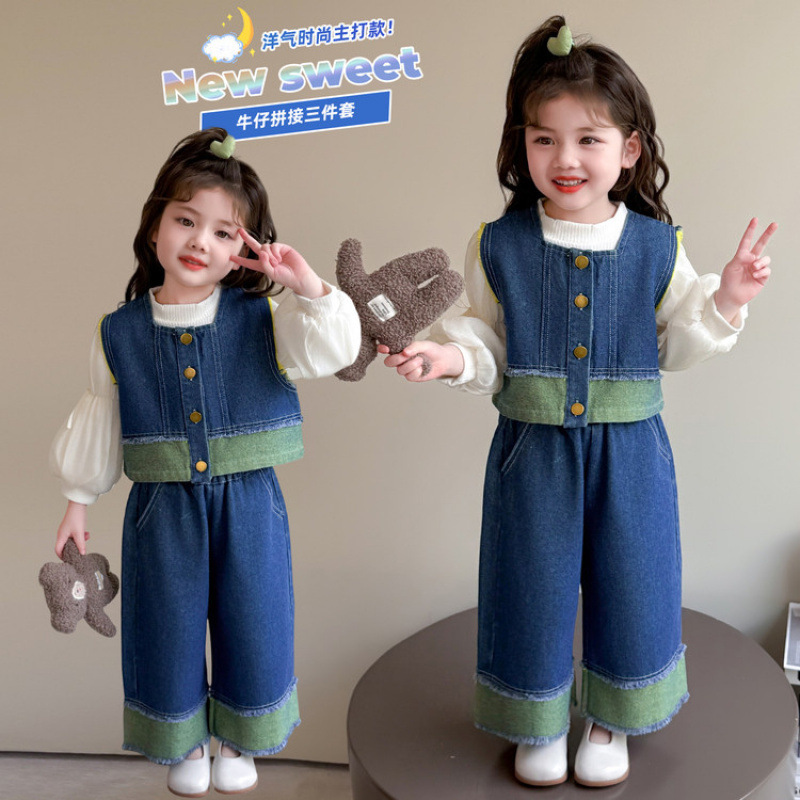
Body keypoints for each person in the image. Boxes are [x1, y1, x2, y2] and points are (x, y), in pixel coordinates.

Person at [381, 17, 775, 788]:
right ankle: (533, 717)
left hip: (633, 452)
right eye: (544, 139)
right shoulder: (498, 243)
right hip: (531, 452)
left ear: (629, 150)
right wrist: (446, 356)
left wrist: (727, 298)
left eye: (588, 139)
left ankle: (610, 719)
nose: (565, 158)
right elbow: (486, 337)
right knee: (528, 582)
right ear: (521, 147)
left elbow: (677, 346)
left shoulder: (659, 246)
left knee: (634, 581)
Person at [51, 128, 360, 797]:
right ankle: (183, 740)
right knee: (166, 622)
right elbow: (102, 414)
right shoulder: (119, 330)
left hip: (250, 499)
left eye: (224, 232)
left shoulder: (266, 316)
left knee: (256, 616)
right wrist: (78, 497)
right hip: (160, 509)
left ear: (246, 248)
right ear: (155, 226)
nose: (200, 242)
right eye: (186, 221)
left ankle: (240, 738)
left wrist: (306, 284)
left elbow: (334, 351)